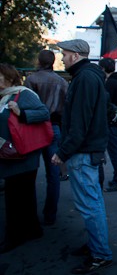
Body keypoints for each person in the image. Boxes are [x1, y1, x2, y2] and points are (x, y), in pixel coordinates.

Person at [51, 39, 113, 273]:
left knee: (90, 204)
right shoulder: (90, 75)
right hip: (87, 150)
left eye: (65, 54)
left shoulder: (86, 78)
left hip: (83, 152)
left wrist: (63, 152)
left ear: (76, 56)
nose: (63, 58)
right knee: (92, 203)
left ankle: (100, 254)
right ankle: (96, 247)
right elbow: (106, 110)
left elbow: (79, 121)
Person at [0, 63, 49, 253]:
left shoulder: (23, 94)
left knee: (15, 197)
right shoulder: (4, 97)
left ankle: (14, 236)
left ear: (10, 78)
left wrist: (21, 112)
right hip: (9, 154)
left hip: (22, 154)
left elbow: (43, 113)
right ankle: (32, 229)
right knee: (24, 195)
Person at [24, 49, 69, 226]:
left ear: (39, 61)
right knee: (53, 173)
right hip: (54, 127)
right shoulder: (61, 82)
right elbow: (66, 107)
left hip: (34, 127)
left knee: (29, 172)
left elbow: (25, 104)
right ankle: (50, 214)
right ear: (52, 62)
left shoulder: (31, 80)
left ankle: (30, 216)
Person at [98, 58, 117, 192]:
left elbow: (105, 103)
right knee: (116, 151)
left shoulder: (110, 83)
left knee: (115, 152)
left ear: (103, 69)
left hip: (111, 121)